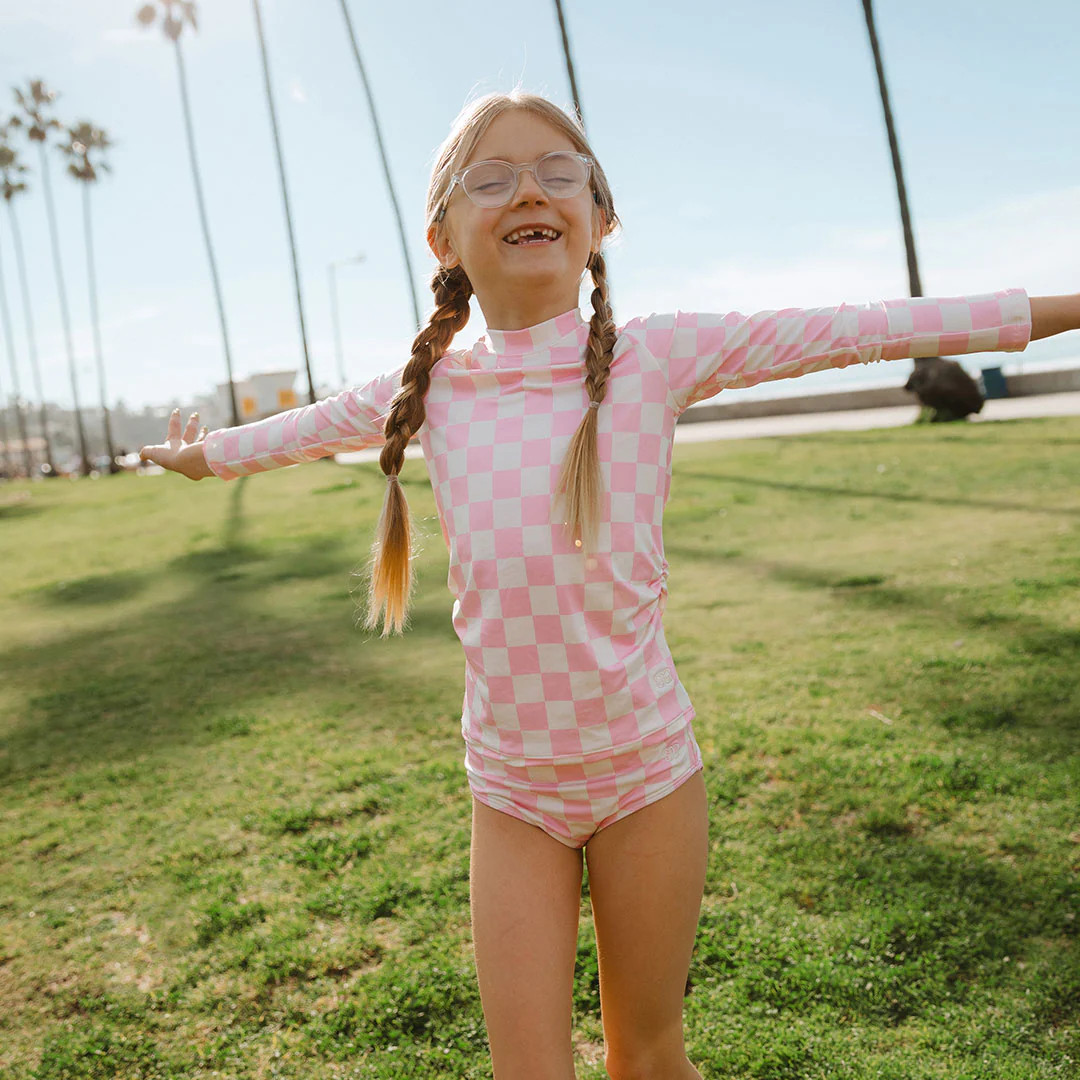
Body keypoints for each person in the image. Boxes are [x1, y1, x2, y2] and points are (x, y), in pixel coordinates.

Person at [140, 88, 1076, 1080]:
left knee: (648, 1051)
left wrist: (1054, 309)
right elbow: (298, 429)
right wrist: (208, 459)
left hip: (648, 779)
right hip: (512, 793)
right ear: (442, 238)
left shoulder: (655, 357)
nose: (528, 189)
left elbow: (870, 326)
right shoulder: (433, 392)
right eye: (489, 178)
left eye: (558, 171)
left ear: (600, 220)